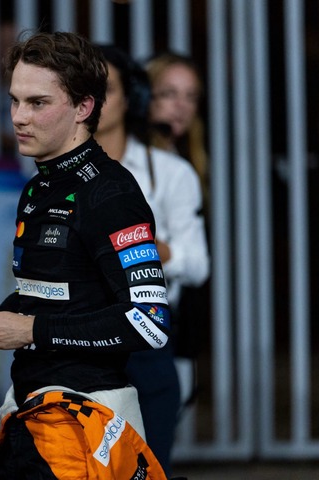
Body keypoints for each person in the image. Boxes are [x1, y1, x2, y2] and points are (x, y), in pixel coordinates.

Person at [0, 32, 170, 479]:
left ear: (84, 107)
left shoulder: (111, 193)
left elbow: (151, 322)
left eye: (38, 103)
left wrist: (29, 328)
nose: (18, 118)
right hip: (29, 413)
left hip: (88, 424)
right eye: (14, 101)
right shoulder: (38, 186)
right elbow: (53, 296)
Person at [94, 45, 210, 475]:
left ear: (132, 99)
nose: (93, 101)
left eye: (104, 89)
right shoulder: (48, 174)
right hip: (72, 344)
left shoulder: (170, 172)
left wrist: (152, 251)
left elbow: (198, 263)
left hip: (145, 341)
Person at [145, 52, 211, 410]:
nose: (180, 106)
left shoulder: (189, 158)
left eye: (190, 96)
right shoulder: (131, 161)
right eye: (168, 93)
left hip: (178, 312)